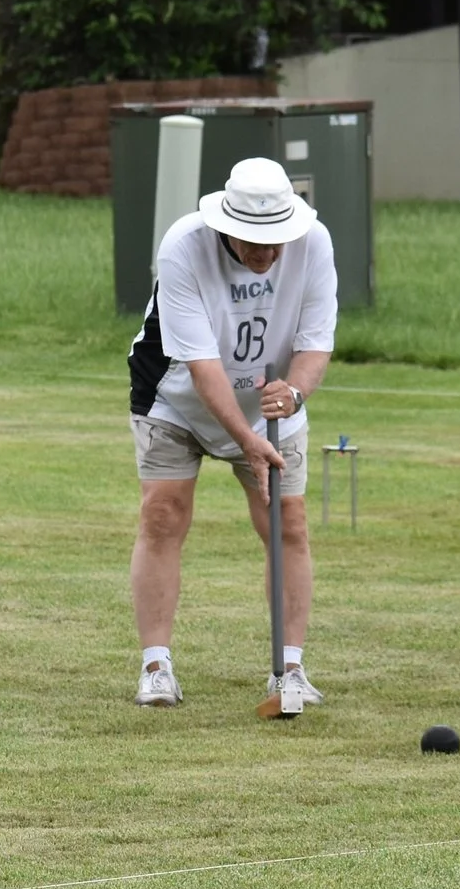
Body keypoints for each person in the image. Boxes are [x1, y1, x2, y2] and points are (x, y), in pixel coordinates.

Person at [125, 156, 337, 708]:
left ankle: (289, 671)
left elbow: (315, 343)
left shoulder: (315, 243)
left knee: (289, 522)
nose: (265, 254)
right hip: (175, 396)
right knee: (163, 513)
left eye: (275, 242)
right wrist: (248, 442)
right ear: (224, 225)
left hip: (272, 398)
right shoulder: (183, 246)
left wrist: (293, 394)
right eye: (252, 242)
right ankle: (156, 666)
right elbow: (202, 365)